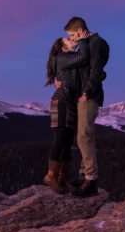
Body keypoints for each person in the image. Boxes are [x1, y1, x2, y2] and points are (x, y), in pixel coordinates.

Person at [63, 16, 110, 196]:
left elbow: (96, 71)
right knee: (83, 136)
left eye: (72, 35)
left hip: (89, 96)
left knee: (84, 136)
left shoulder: (97, 43)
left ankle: (91, 182)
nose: (72, 39)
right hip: (84, 94)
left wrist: (86, 92)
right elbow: (93, 70)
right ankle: (84, 175)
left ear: (80, 30)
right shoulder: (90, 44)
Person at [44, 35, 90, 194]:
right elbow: (84, 56)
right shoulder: (62, 57)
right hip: (61, 102)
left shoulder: (69, 58)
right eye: (68, 40)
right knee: (61, 139)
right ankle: (51, 176)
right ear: (63, 48)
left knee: (68, 141)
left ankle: (63, 178)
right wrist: (83, 39)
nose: (72, 39)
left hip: (70, 103)